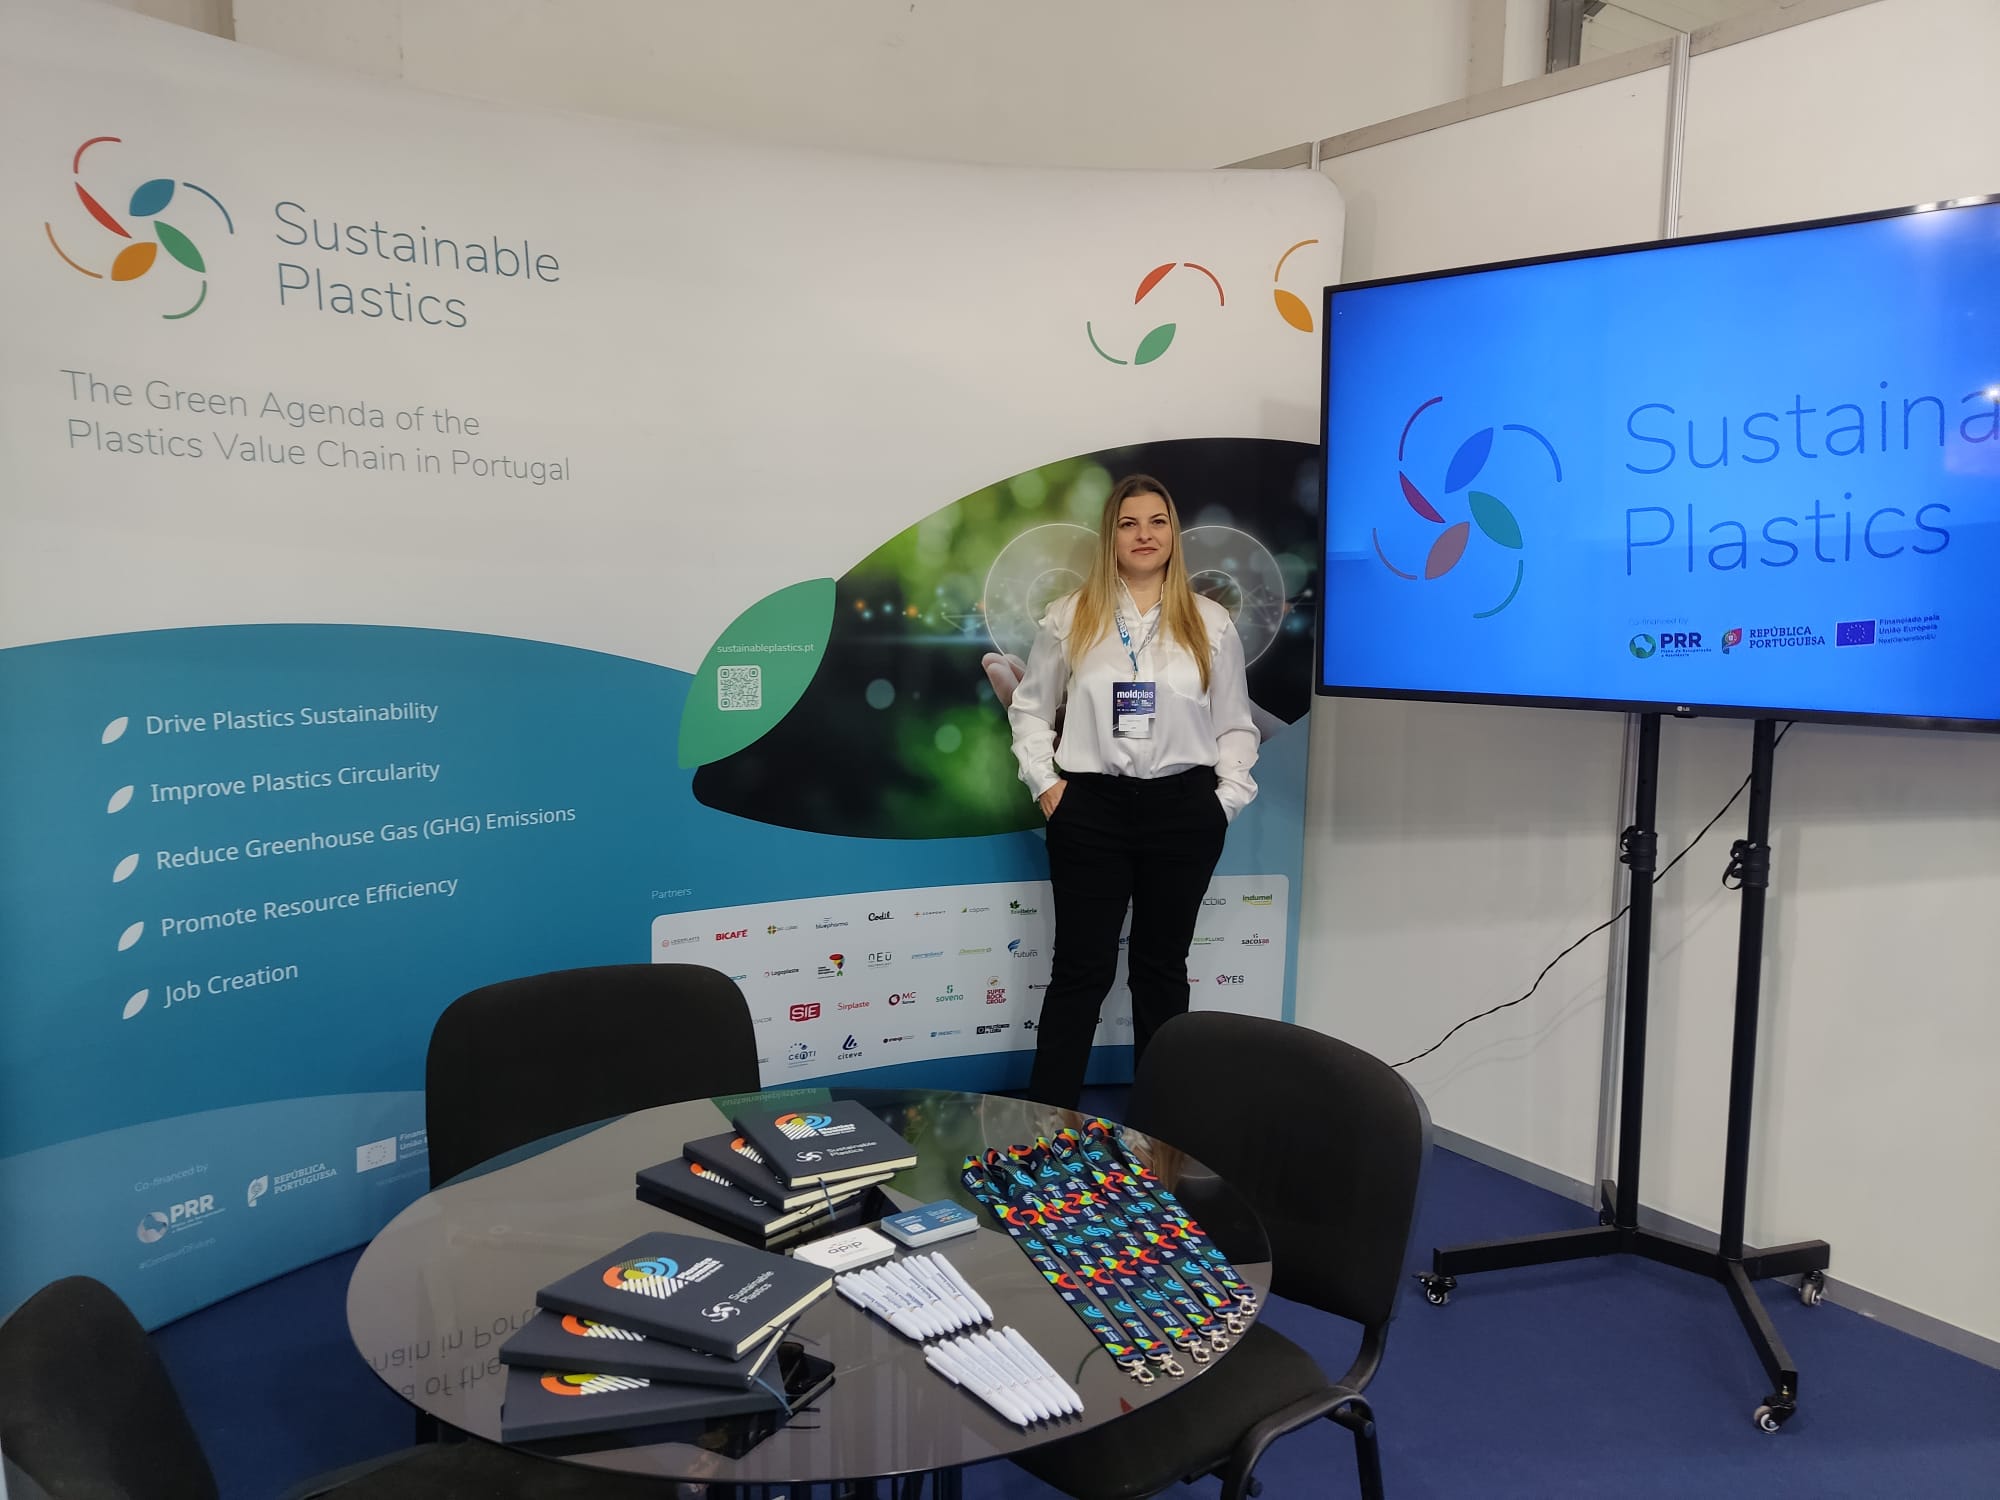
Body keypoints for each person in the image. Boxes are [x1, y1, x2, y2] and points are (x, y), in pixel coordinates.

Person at [1004, 474, 1258, 1108]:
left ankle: (1161, 1129)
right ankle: (1047, 1129)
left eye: (1157, 522)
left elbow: (1235, 724)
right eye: (1128, 523)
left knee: (1162, 973)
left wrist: (1223, 801)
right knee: (1079, 972)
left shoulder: (1211, 623)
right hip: (1090, 810)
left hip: (1184, 810)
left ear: (1174, 534)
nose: (1144, 535)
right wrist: (1046, 784)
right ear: (1110, 536)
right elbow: (1030, 709)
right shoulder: (1071, 616)